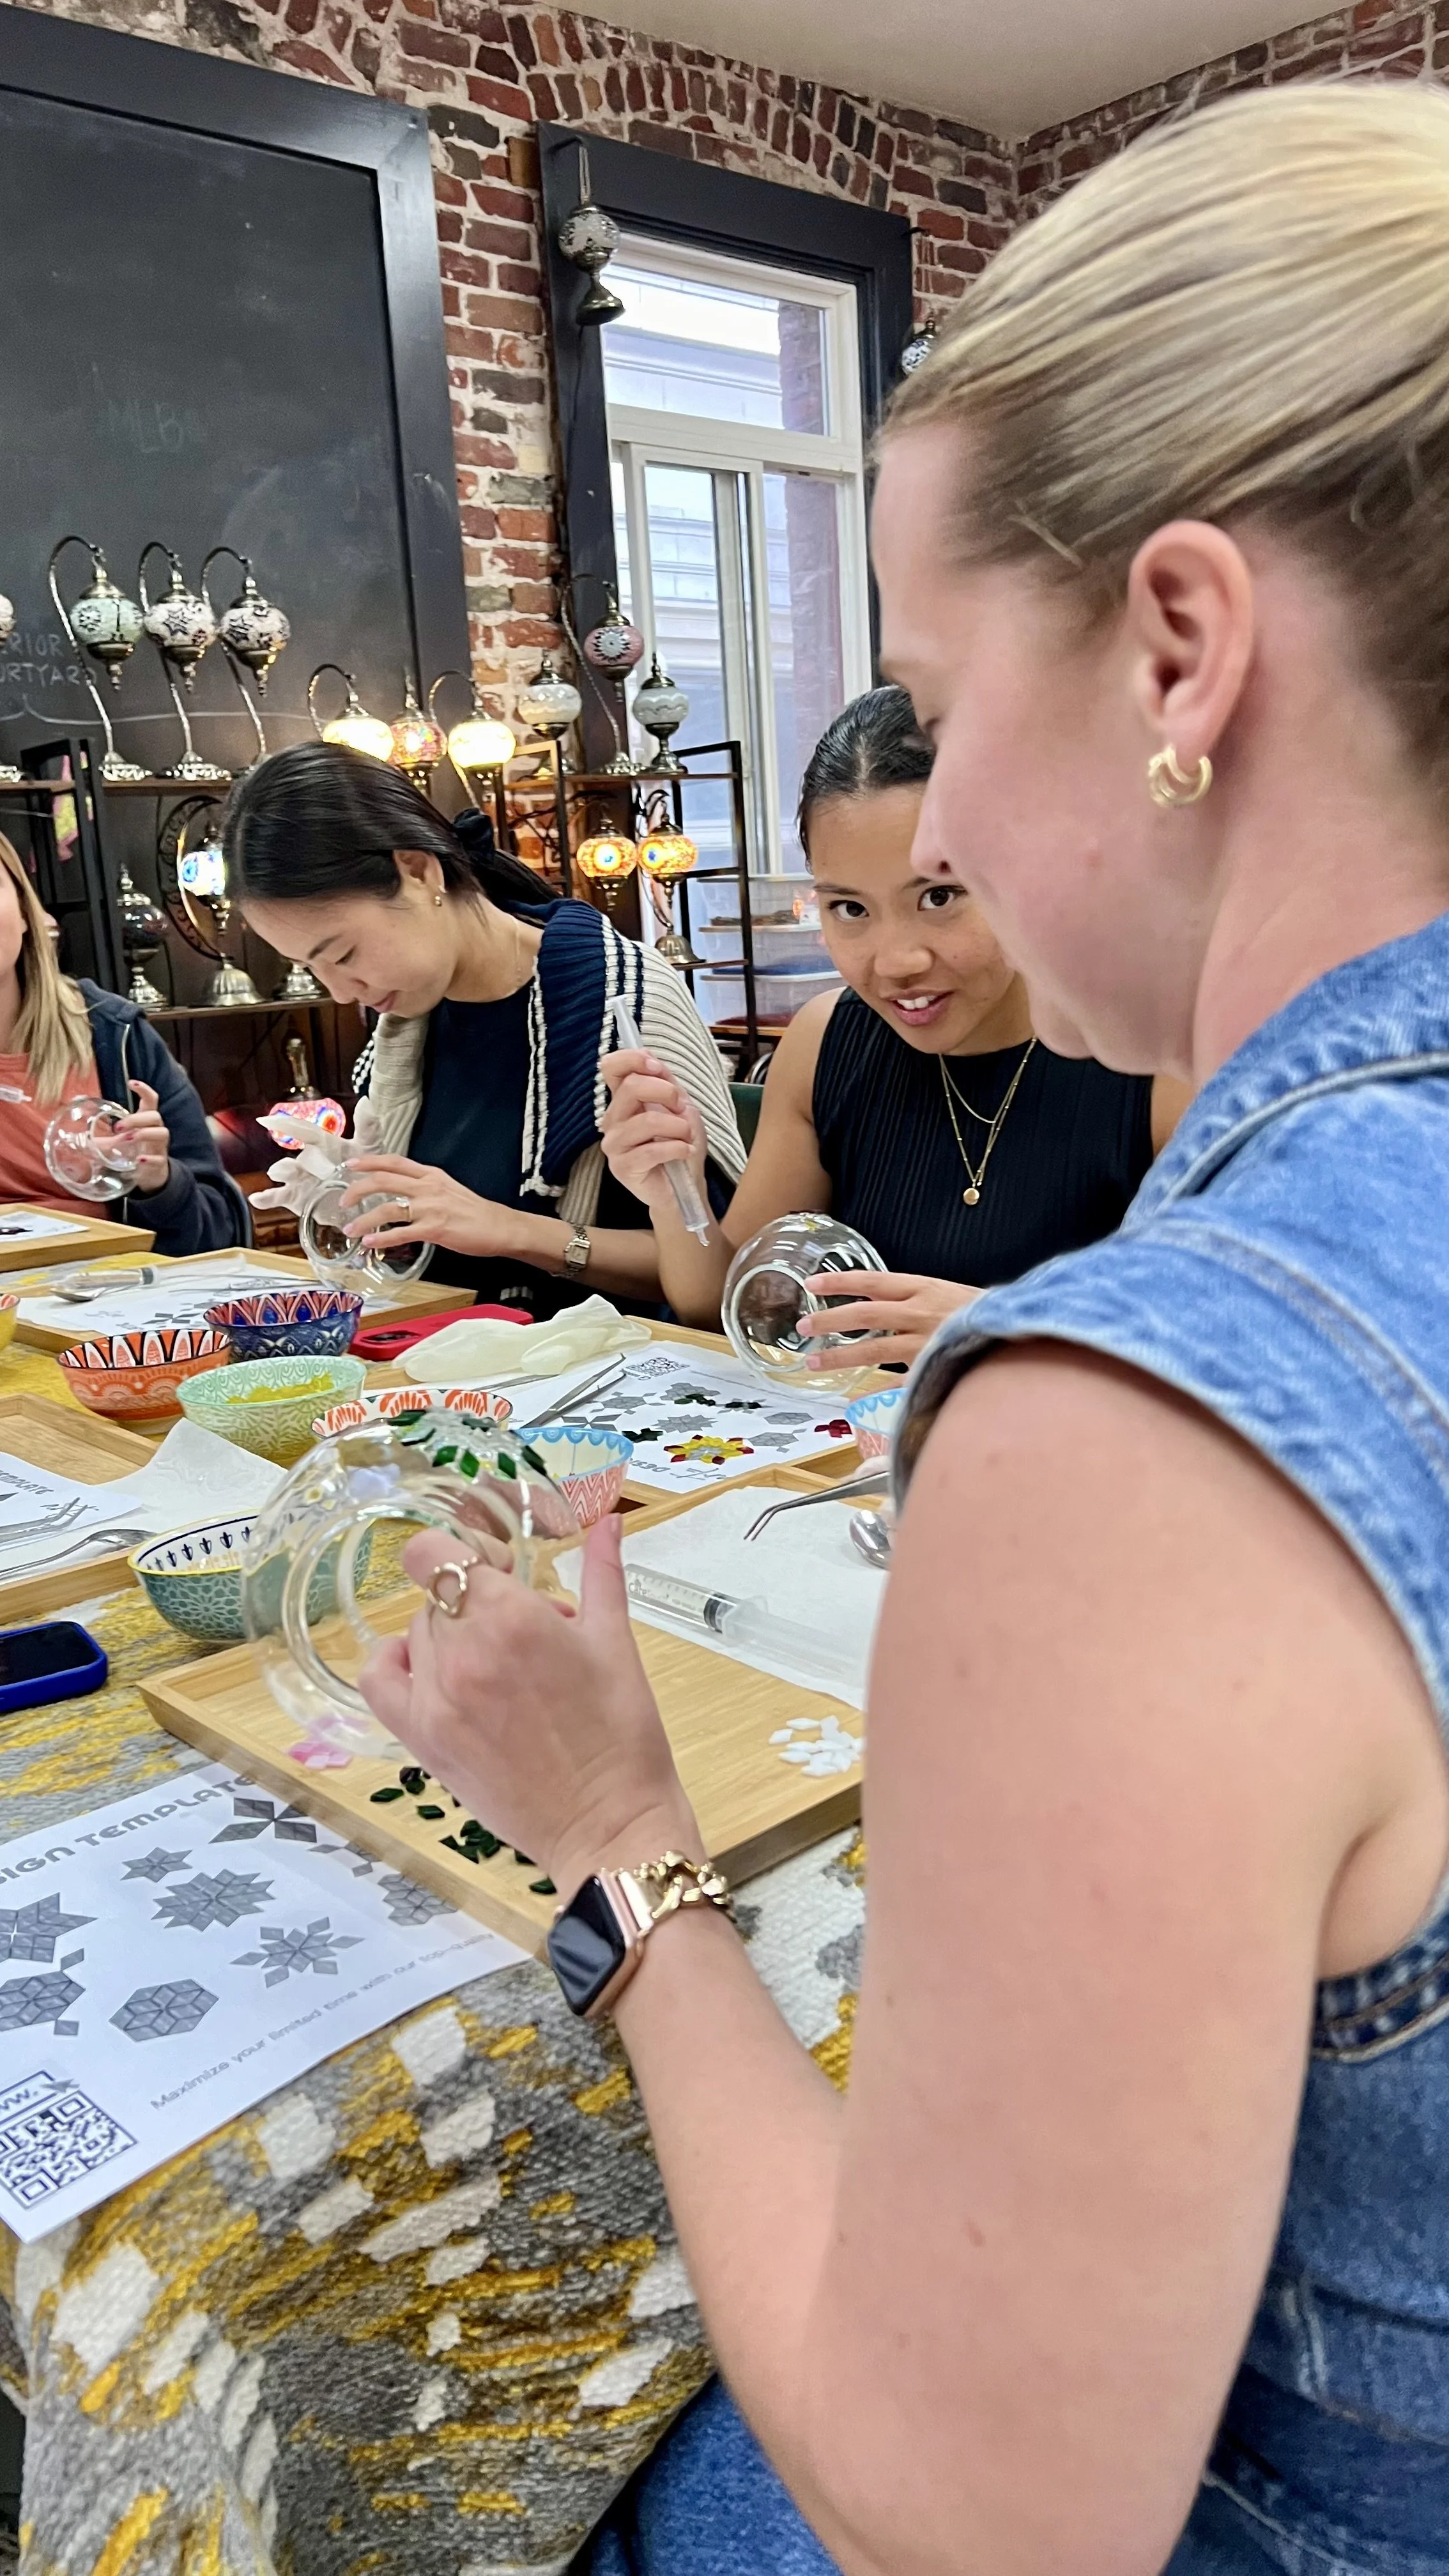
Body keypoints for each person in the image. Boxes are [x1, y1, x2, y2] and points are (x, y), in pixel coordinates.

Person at [357, 80, 1449, 2576]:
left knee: (479, 2420)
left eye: (943, 697)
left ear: (1183, 647)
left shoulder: (1146, 1428)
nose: (921, 825)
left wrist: (626, 1848)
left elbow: (984, 2516)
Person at [602, 687, 1184, 1369]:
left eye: (938, 897)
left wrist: (1007, 1324)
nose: (896, 962)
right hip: (874, 1462)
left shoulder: (1161, 1059)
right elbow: (728, 1303)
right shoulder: (827, 1044)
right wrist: (675, 1189)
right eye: (850, 909)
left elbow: (1268, 1348)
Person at [226, 744, 745, 1319]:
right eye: (313, 969)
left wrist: (510, 1230)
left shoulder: (623, 1001)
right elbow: (433, 1254)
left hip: (611, 1376)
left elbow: (719, 1277)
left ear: (419, 871)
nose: (343, 992)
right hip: (456, 1366)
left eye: (343, 953)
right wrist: (363, 1200)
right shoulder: (405, 1032)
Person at [0, 833, 241, 1253]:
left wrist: (158, 1183)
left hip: (116, 1297)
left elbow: (216, 1232)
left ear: (25, 910)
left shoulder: (116, 1034)